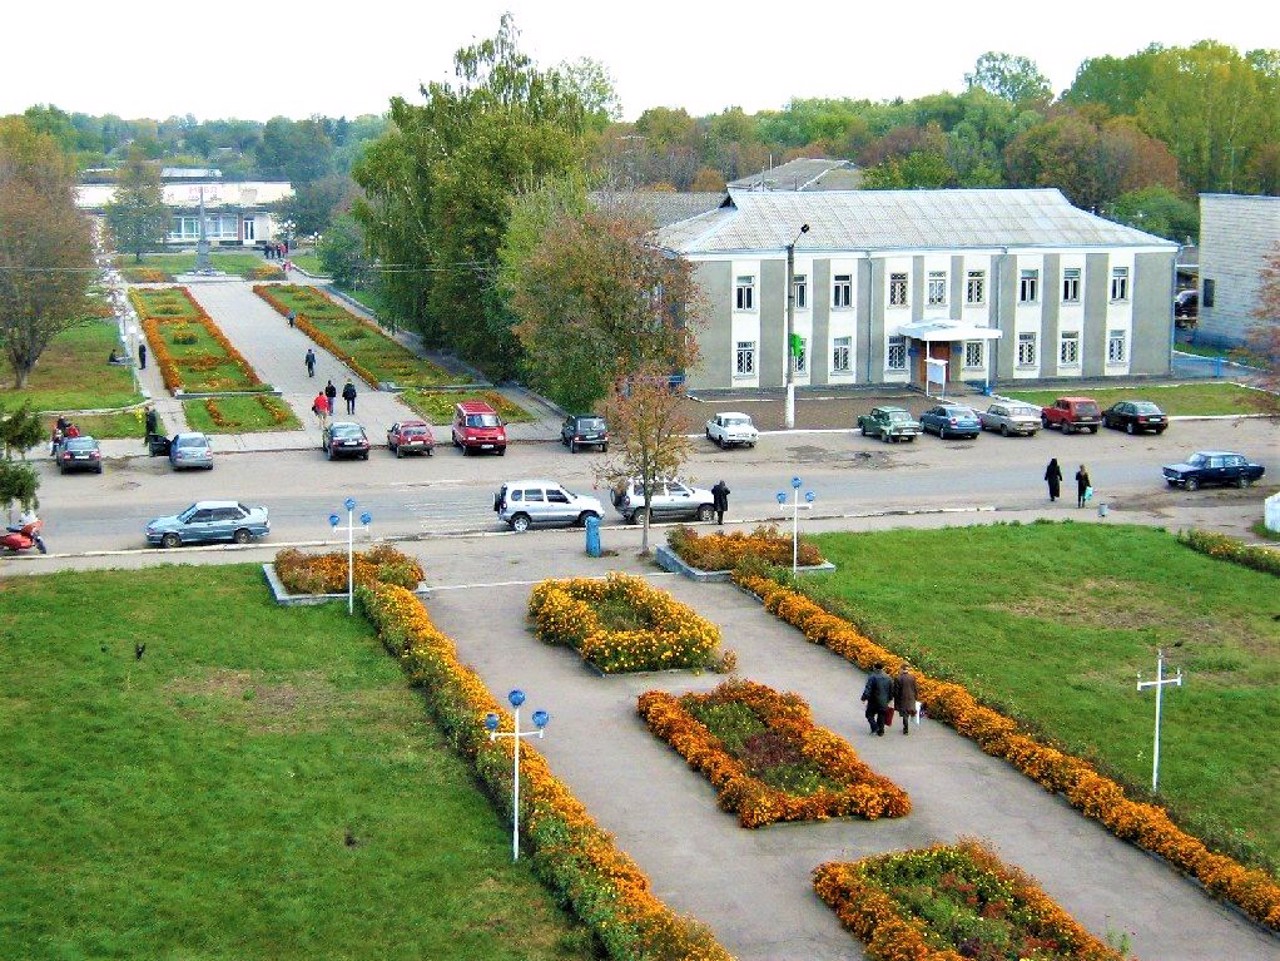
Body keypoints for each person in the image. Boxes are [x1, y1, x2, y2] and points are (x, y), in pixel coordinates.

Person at [860, 664, 893, 736]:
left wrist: (864, 698)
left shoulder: (872, 677)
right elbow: (891, 690)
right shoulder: (888, 678)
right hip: (884, 701)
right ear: (883, 668)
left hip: (873, 700)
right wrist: (890, 699)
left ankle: (875, 727)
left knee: (869, 714)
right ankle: (881, 731)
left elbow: (868, 689)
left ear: (874, 668)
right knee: (881, 715)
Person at [892, 663, 919, 736]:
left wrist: (895, 698)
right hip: (911, 697)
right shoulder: (912, 677)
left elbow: (896, 691)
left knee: (905, 714)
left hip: (902, 698)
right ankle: (906, 727)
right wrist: (916, 697)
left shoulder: (898, 678)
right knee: (909, 711)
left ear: (901, 669)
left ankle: (906, 729)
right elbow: (916, 688)